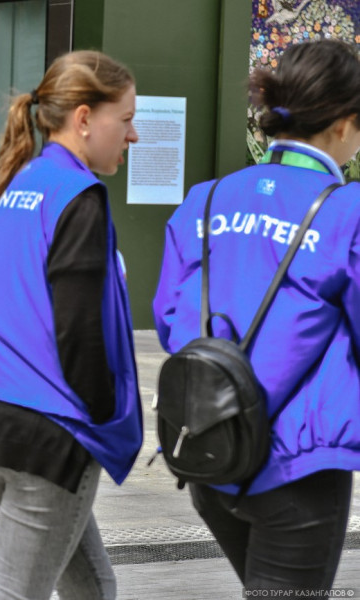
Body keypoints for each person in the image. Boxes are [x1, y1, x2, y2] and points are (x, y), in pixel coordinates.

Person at [153, 39, 360, 592]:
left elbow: (168, 316)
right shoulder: (346, 210)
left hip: (210, 448)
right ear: (343, 124)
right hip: (299, 466)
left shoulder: (208, 197)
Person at [0, 51, 143, 600]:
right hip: (51, 438)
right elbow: (78, 329)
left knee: (92, 587)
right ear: (83, 118)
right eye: (124, 121)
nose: (134, 137)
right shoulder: (78, 196)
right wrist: (101, 416)